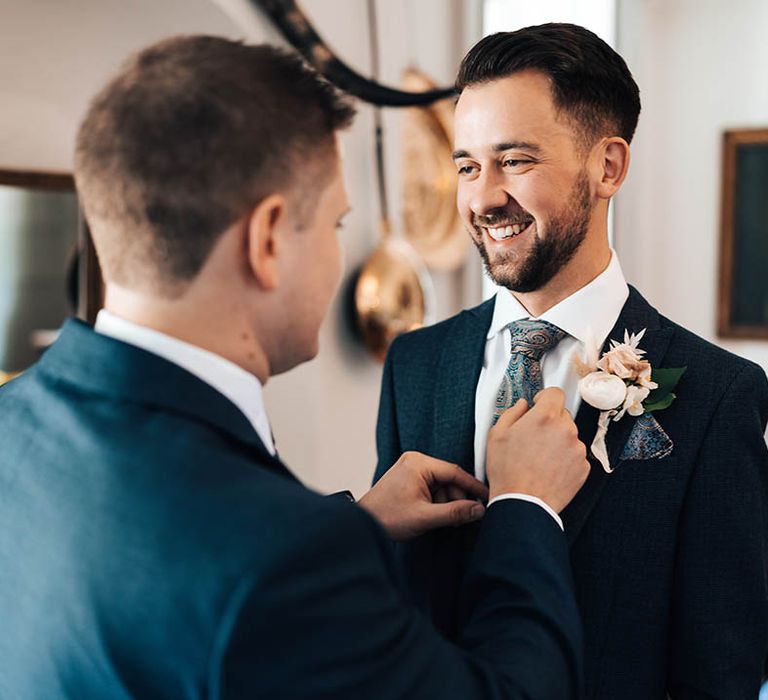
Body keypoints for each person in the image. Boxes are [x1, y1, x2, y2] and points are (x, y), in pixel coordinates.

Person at [0, 36, 591, 699]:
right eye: (335, 225)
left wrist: (356, 526)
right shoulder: (280, 558)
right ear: (269, 239)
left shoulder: (12, 419)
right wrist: (526, 506)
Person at [374, 23, 768, 700]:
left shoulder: (718, 394)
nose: (483, 197)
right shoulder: (415, 363)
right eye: (468, 164)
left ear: (608, 166)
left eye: (516, 160)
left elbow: (721, 672)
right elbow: (384, 612)